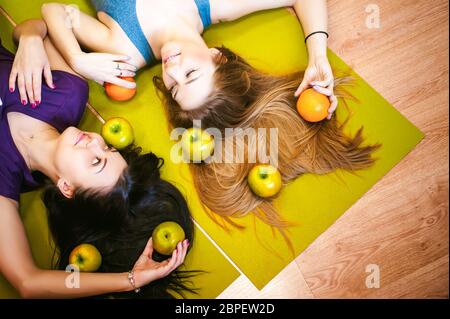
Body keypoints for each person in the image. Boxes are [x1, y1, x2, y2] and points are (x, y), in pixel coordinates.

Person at [37, 1, 380, 245]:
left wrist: (79, 60)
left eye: (173, 86)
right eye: (190, 74)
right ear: (217, 55)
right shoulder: (216, 5)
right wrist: (318, 56)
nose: (171, 70)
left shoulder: (125, 49)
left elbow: (54, 12)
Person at [0, 19, 191, 299]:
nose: (96, 143)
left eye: (95, 162)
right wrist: (30, 37)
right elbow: (38, 27)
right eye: (108, 150)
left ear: (67, 187)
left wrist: (130, 280)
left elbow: (29, 282)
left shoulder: (4, 183)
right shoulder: (67, 94)